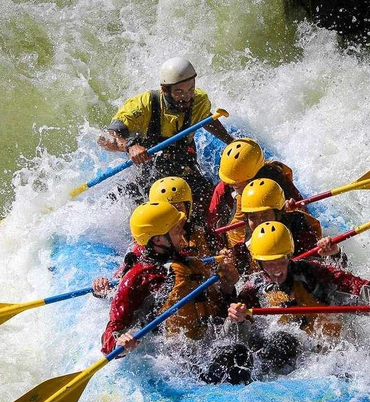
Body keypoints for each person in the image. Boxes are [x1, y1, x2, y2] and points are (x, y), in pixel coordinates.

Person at [206, 222, 370, 384]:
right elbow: (229, 337)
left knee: (283, 341)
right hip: (290, 360)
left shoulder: (313, 272)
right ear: (259, 261)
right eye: (269, 263)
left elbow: (357, 284)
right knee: (275, 343)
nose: (277, 269)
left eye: (281, 260)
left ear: (289, 255)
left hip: (329, 355)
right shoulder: (253, 288)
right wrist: (235, 319)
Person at [97, 57, 233, 217]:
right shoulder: (142, 105)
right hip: (149, 176)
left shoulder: (199, 101)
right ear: (164, 89)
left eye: (190, 90)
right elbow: (105, 138)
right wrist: (130, 146)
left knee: (214, 207)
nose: (187, 97)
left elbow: (206, 119)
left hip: (184, 169)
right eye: (179, 92)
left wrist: (230, 142)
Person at [100, 201, 238, 356]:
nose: (183, 234)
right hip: (169, 357)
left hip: (207, 345)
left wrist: (228, 287)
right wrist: (119, 344)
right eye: (177, 230)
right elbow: (111, 332)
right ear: (158, 240)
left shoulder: (190, 262)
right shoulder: (136, 278)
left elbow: (217, 308)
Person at [92, 176, 211, 298]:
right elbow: (121, 282)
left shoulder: (202, 233)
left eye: (178, 208)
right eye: (167, 210)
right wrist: (102, 289)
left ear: (188, 208)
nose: (173, 215)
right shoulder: (146, 246)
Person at [223, 178, 344, 277]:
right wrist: (228, 262)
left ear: (278, 213)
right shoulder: (247, 243)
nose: (260, 222)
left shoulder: (299, 233)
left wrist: (334, 254)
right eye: (252, 216)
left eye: (265, 214)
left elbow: (333, 273)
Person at [206, 138, 308, 249]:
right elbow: (211, 222)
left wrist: (290, 211)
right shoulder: (224, 187)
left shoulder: (278, 182)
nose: (231, 185)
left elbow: (303, 213)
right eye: (230, 181)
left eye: (236, 182)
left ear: (254, 175)